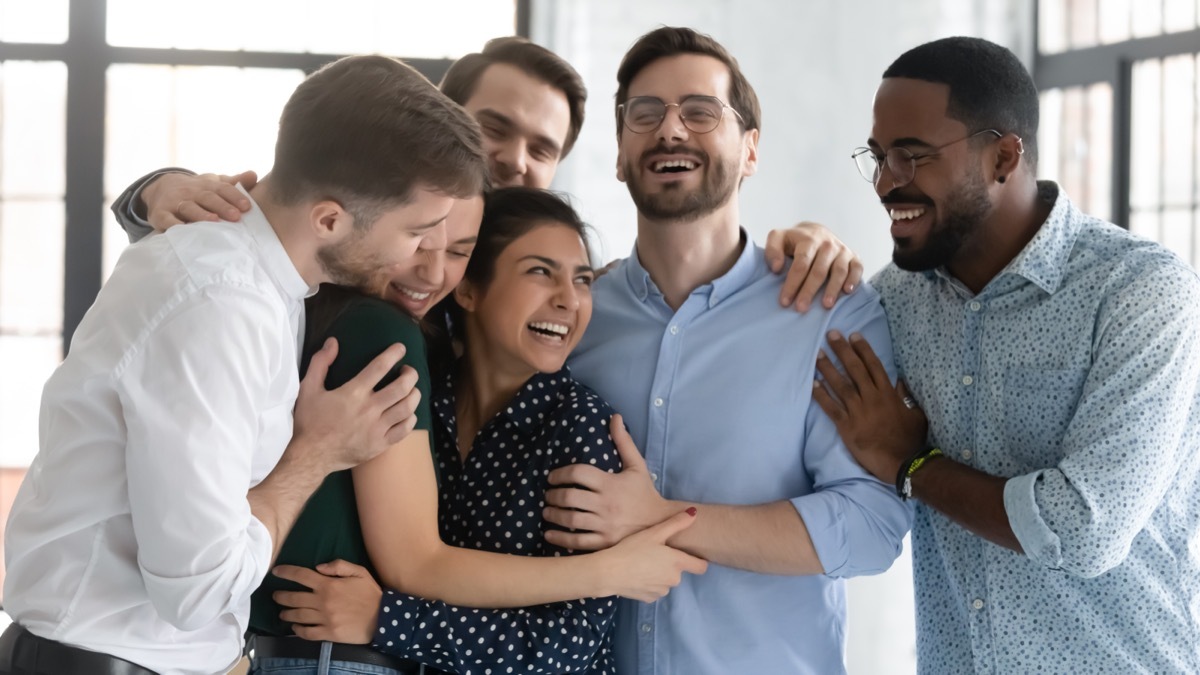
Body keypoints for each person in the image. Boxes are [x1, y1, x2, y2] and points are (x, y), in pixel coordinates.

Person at [0, 54, 488, 675]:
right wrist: (318, 451)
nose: (423, 255)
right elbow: (198, 590)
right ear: (330, 219)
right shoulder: (223, 305)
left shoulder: (261, 280)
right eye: (417, 230)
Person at [778, 37, 1199, 673]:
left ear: (1003, 156)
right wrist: (801, 248)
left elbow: (1086, 529)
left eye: (912, 156)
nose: (887, 182)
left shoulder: (1140, 292)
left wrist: (913, 463)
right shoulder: (892, 304)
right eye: (879, 157)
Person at [528, 27, 912, 674]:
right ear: (619, 153)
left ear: (750, 149)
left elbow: (872, 527)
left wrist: (662, 519)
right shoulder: (572, 320)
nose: (670, 130)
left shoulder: (829, 314)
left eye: (701, 112)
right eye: (644, 114)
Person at [239, 188, 704, 675]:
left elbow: (566, 644)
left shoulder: (582, 427)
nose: (569, 299)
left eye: (582, 280)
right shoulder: (424, 392)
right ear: (468, 290)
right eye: (541, 272)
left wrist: (387, 620)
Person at [112, 36, 863, 312]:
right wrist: (157, 187)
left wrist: (807, 238)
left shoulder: (558, 289)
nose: (513, 160)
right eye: (493, 128)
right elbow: (237, 231)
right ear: (440, 117)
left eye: (542, 148)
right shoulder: (348, 219)